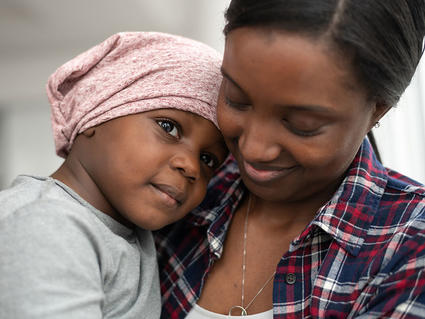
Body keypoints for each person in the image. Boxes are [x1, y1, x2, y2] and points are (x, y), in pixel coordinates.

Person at [155, 1, 425, 318]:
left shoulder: (409, 248)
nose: (254, 149)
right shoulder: (186, 180)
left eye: (302, 125)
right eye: (236, 99)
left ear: (378, 109)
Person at [0, 31, 227, 319]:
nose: (192, 167)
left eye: (208, 159)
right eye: (168, 127)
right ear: (95, 113)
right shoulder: (46, 225)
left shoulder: (128, 233)